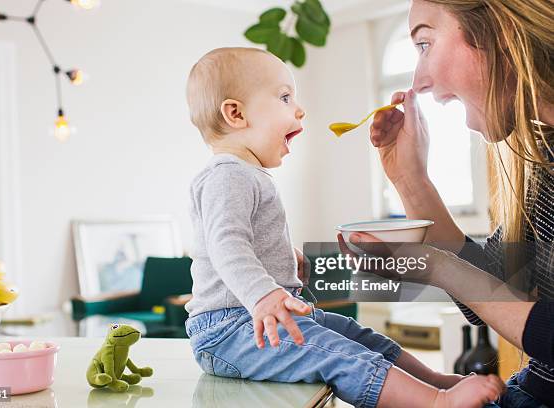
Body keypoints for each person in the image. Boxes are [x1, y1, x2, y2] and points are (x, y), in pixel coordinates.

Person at [184, 46, 504, 408]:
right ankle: (435, 402)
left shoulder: (246, 175)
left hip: (253, 318)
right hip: (230, 330)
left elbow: (240, 241)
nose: (299, 109)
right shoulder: (227, 175)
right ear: (235, 114)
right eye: (285, 97)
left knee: (357, 335)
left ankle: (434, 380)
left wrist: (280, 261)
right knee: (335, 353)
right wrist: (263, 294)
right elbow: (225, 245)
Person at [340, 1, 553, 406]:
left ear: (499, 31)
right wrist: (411, 181)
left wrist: (436, 266)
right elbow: (500, 290)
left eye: (424, 44)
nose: (418, 80)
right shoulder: (546, 159)